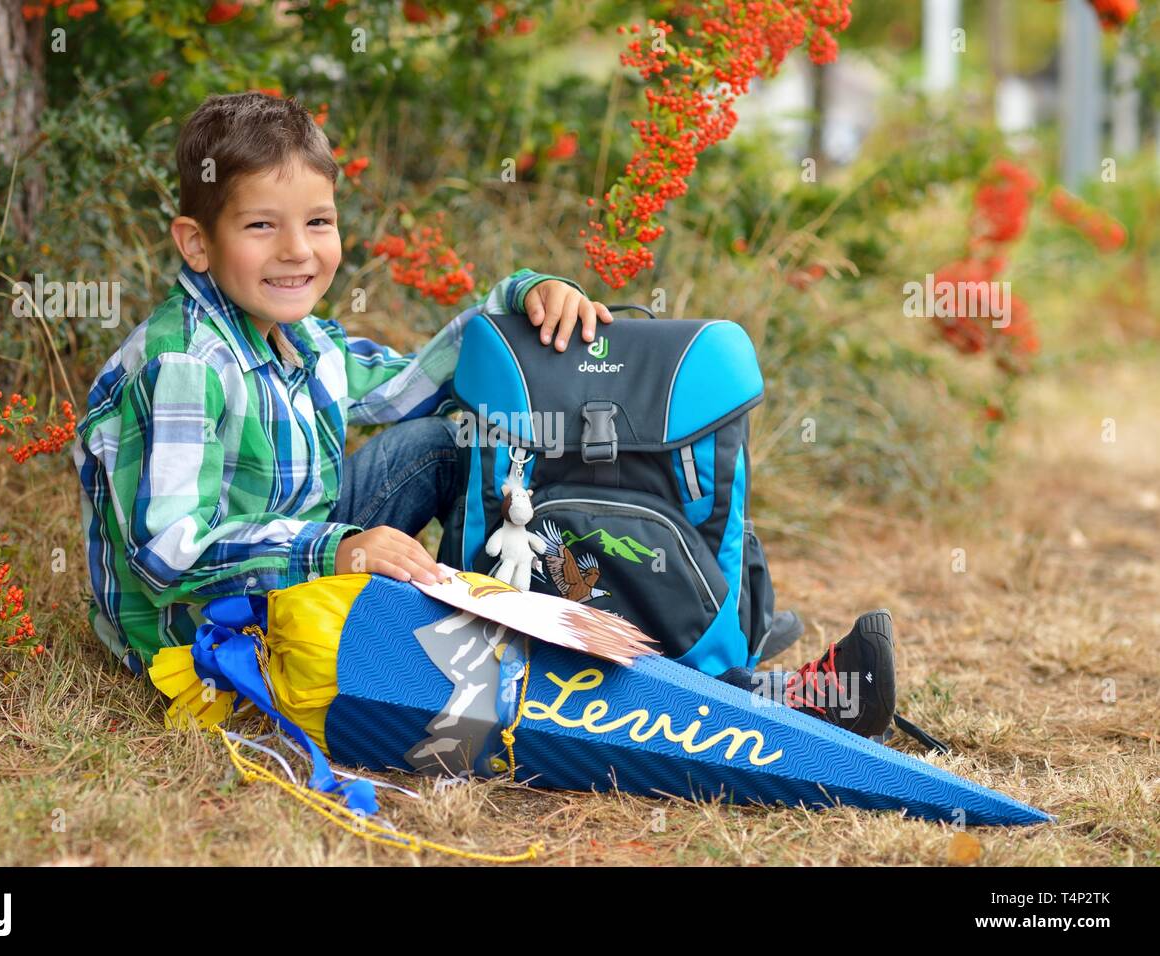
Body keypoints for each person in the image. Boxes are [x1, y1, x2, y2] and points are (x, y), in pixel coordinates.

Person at [73, 91, 898, 741]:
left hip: (301, 566)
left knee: (446, 443)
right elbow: (165, 553)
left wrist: (521, 296)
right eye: (262, 226)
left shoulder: (301, 341)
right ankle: (749, 697)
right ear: (196, 242)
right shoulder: (187, 363)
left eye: (317, 223)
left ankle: (687, 639)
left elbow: (422, 390)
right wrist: (343, 546)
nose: (297, 251)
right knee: (442, 552)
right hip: (207, 632)